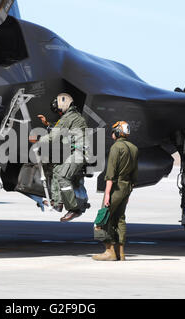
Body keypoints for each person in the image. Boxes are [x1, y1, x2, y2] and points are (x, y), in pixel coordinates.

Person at [34, 93, 88, 222]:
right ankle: (57, 203)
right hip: (77, 152)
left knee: (62, 175)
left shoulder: (69, 117)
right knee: (57, 170)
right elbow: (60, 129)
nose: (58, 113)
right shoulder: (71, 116)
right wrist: (47, 124)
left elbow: (54, 136)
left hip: (79, 153)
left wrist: (38, 139)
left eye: (58, 110)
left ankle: (74, 209)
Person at [93, 121, 138, 261]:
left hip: (115, 187)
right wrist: (129, 191)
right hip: (127, 187)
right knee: (120, 218)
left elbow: (110, 173)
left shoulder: (116, 147)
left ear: (118, 132)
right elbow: (135, 174)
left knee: (102, 219)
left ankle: (109, 251)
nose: (112, 134)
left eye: (113, 131)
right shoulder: (134, 148)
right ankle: (121, 252)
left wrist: (107, 194)